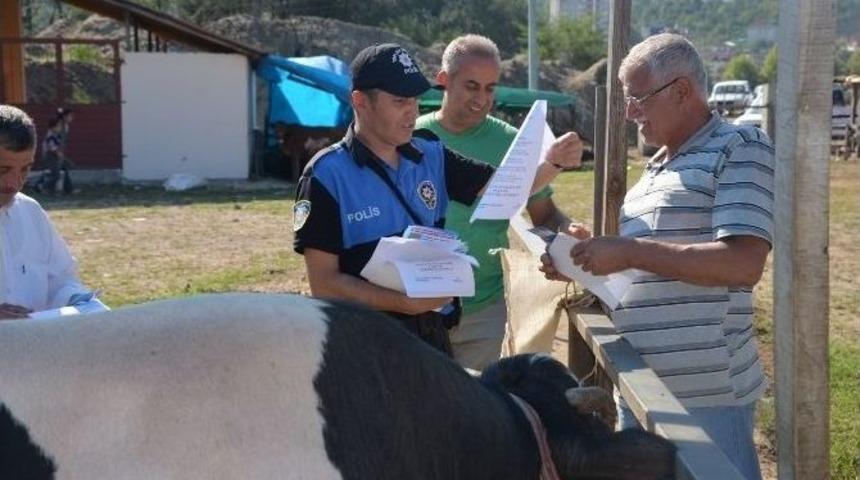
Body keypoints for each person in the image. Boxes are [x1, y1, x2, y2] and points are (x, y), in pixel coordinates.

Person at [539, 34, 772, 480]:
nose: (629, 113)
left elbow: (743, 263)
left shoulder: (739, 146)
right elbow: (647, 271)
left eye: (638, 99)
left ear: (682, 91)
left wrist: (628, 249)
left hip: (704, 395)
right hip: (642, 386)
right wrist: (586, 257)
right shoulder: (655, 168)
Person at [293, 43, 582, 355]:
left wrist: (553, 163)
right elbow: (324, 283)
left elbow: (505, 188)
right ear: (360, 101)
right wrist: (403, 303)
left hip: (433, 335)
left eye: (415, 100)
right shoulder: (325, 175)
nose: (412, 112)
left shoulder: (431, 152)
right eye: (399, 101)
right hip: (366, 345)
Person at [415, 34, 573, 370]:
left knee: (476, 412)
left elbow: (543, 213)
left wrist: (571, 236)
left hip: (484, 309)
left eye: (490, 88)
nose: (482, 98)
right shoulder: (411, 138)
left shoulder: (512, 143)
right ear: (443, 80)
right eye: (472, 86)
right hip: (416, 307)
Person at [0, 105, 89, 320]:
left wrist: (76, 300)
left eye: (25, 169)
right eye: (2, 170)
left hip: (36, 347)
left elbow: (61, 279)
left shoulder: (31, 212)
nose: (14, 183)